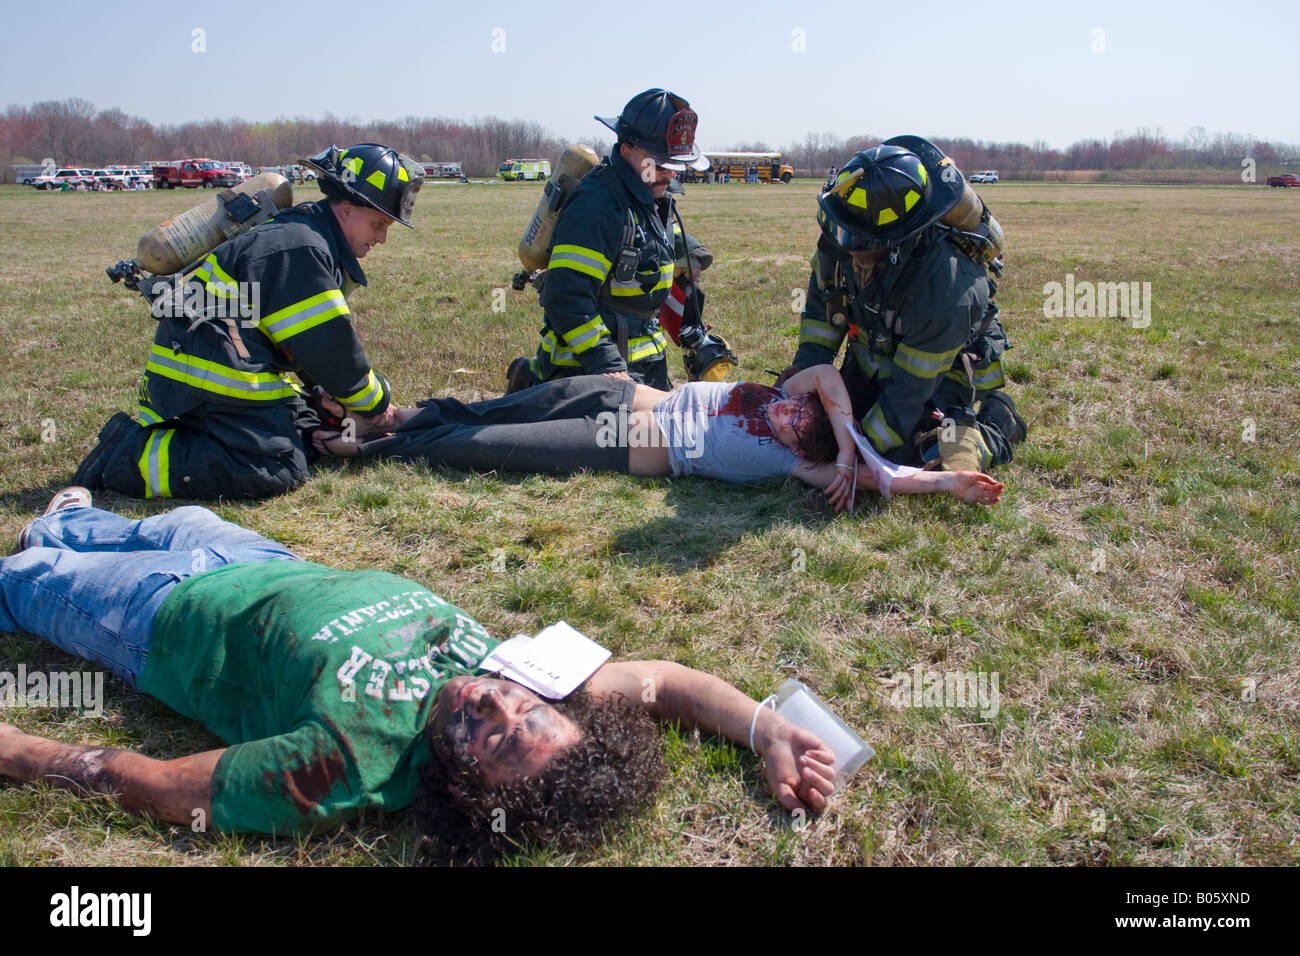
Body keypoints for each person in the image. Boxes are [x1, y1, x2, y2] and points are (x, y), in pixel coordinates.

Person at [0, 490, 837, 863]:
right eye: (523, 709)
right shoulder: (527, 680)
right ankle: (70, 520)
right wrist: (767, 728)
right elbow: (662, 685)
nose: (490, 701)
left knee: (27, 580)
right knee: (142, 521)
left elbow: (158, 787)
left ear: (464, 788)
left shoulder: (348, 765)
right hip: (258, 554)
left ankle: (49, 548)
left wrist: (19, 752)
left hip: (157, 617)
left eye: (489, 739)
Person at [72, 143, 425, 500]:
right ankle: (125, 456)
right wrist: (381, 410)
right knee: (276, 468)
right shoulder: (300, 249)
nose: (381, 237)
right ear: (347, 208)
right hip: (207, 384)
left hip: (215, 368)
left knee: (314, 425)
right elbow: (333, 354)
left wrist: (326, 399)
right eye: (378, 223)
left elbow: (301, 347)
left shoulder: (304, 236)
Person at [319, 366, 1005, 510]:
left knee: (490, 446)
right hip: (624, 393)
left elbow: (886, 479)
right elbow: (827, 375)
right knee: (498, 406)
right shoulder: (795, 398)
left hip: (621, 443)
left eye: (801, 436)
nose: (789, 423)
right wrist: (848, 437)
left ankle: (367, 448)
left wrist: (946, 481)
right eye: (801, 417)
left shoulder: (794, 465)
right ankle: (395, 416)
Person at [776, 136, 1027, 474]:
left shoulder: (945, 288)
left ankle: (997, 420)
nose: (841, 243)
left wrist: (860, 449)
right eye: (837, 229)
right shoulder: (841, 241)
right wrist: (801, 388)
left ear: (894, 243)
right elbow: (822, 319)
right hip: (871, 360)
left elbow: (909, 393)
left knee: (917, 457)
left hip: (938, 378)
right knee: (820, 427)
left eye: (854, 239)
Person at [505, 89, 712, 394]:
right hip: (582, 371)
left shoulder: (651, 193)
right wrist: (607, 365)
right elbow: (566, 299)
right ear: (627, 151)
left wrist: (691, 256)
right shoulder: (596, 207)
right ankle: (532, 382)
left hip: (645, 365)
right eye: (659, 163)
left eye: (675, 165)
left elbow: (657, 241)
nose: (668, 174)